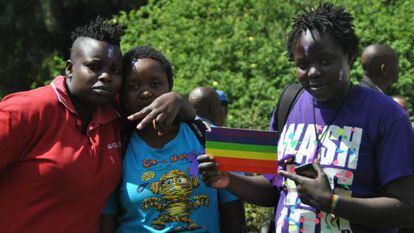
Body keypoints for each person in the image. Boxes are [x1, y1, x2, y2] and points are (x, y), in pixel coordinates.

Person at [198, 3, 414, 233]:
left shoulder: (385, 115)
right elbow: (274, 188)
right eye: (303, 64)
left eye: (325, 61)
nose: (313, 72)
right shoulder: (289, 103)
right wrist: (229, 180)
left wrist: (332, 202)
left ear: (349, 58)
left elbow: (406, 208)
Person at [0, 17, 193, 233]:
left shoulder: (117, 115)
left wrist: (176, 99)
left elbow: (181, 110)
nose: (106, 76)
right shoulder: (27, 109)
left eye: (115, 70)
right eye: (94, 66)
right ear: (70, 69)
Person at [101, 46, 245, 233]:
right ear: (122, 94)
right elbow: (107, 220)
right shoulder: (116, 146)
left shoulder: (208, 136)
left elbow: (234, 217)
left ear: (170, 85)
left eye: (155, 84)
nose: (145, 93)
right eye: (134, 86)